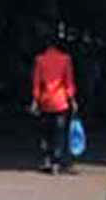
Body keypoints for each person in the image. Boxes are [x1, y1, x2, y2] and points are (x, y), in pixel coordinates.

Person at [31, 34, 78, 174]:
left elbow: (37, 83)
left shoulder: (40, 60)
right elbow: (69, 82)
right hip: (61, 102)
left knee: (45, 132)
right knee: (59, 133)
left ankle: (46, 159)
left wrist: (35, 100)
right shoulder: (65, 59)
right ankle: (56, 162)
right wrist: (72, 100)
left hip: (45, 102)